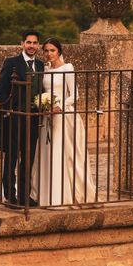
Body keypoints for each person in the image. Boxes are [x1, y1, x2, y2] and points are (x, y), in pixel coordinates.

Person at [31, 38, 96, 206]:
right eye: (46, 50)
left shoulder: (68, 68)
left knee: (63, 154)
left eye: (52, 50)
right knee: (47, 153)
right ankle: (46, 194)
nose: (49, 54)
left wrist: (59, 106)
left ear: (59, 51)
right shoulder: (44, 70)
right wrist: (43, 105)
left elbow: (75, 95)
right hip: (47, 116)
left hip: (63, 115)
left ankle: (62, 196)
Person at [0, 30, 45, 206]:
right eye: (28, 42)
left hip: (33, 120)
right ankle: (11, 196)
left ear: (38, 45)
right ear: (22, 43)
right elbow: (0, 92)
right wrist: (9, 112)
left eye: (35, 43)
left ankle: (25, 195)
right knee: (12, 157)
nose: (32, 46)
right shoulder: (11, 63)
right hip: (15, 118)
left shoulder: (40, 65)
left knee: (28, 158)